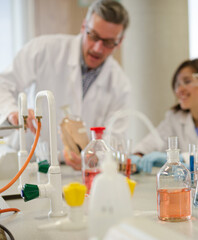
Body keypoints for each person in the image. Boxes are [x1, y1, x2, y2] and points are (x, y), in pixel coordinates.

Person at [0, 0, 131, 170]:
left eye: (108, 42)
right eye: (94, 36)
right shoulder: (44, 49)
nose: (98, 48)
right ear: (84, 27)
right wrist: (12, 111)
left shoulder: (120, 84)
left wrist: (95, 157)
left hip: (79, 171)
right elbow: (4, 83)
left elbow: (114, 136)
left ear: (119, 42)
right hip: (29, 165)